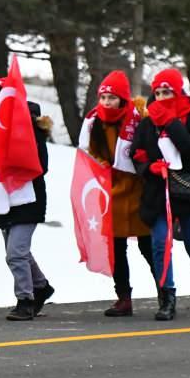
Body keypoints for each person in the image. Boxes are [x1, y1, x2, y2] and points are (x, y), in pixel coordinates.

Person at [131, 68, 190, 320]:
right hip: (159, 193)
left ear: (178, 91)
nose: (161, 97)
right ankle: (166, 298)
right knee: (160, 243)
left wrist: (171, 123)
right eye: (157, 92)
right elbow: (136, 154)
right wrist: (150, 167)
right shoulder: (148, 122)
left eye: (167, 92)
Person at [0, 78, 55, 321]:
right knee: (18, 251)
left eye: (0, 98)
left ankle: (25, 300)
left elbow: (42, 166)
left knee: (15, 253)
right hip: (2, 197)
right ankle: (41, 286)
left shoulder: (30, 124)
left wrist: (15, 149)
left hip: (28, 198)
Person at [78, 70, 155, 316]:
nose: (106, 102)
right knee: (116, 248)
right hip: (110, 193)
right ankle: (123, 297)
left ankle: (165, 292)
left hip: (137, 191)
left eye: (112, 97)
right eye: (103, 98)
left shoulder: (138, 120)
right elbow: (92, 156)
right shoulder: (95, 123)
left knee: (148, 246)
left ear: (122, 98)